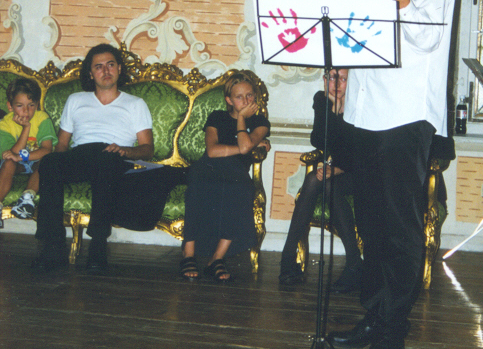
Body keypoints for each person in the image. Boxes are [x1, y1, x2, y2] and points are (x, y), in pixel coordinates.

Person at [328, 0, 458, 349]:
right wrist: (337, 68)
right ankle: (374, 314)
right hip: (363, 112)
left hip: (405, 116)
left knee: (400, 228)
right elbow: (343, 26)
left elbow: (428, 42)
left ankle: (393, 331)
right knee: (371, 223)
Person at [31, 43, 179, 273]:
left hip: (114, 157)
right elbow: (62, 143)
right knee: (50, 163)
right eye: (98, 67)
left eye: (110, 65)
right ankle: (53, 247)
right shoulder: (76, 100)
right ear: (91, 74)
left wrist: (125, 151)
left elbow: (147, 149)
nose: (105, 71)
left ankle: (98, 246)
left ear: (119, 68)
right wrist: (53, 162)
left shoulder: (135, 104)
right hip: (81, 155)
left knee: (105, 162)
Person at [181, 71, 270, 282]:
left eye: (249, 95)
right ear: (229, 100)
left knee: (241, 189)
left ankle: (217, 259)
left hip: (236, 170)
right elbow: (213, 151)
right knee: (197, 183)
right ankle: (188, 255)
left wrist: (242, 120)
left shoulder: (260, 122)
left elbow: (246, 146)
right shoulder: (217, 117)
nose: (246, 101)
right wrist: (246, 146)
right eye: (239, 97)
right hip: (208, 166)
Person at [279, 68, 362, 290]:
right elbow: (318, 140)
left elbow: (361, 151)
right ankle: (288, 259)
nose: (337, 83)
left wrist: (337, 169)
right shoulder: (322, 100)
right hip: (336, 171)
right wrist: (333, 110)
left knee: (327, 183)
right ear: (325, 80)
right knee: (314, 181)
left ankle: (353, 263)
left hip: (361, 171)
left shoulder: (359, 103)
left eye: (343, 78)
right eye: (332, 77)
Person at [0, 78, 58, 221]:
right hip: (16, 164)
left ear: (37, 105)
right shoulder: (4, 124)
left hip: (37, 160)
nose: (26, 111)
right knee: (8, 162)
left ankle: (27, 199)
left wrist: (21, 157)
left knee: (46, 162)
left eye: (31, 105)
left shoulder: (42, 118)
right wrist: (26, 128)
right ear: (10, 106)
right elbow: (11, 154)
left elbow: (46, 149)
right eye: (20, 105)